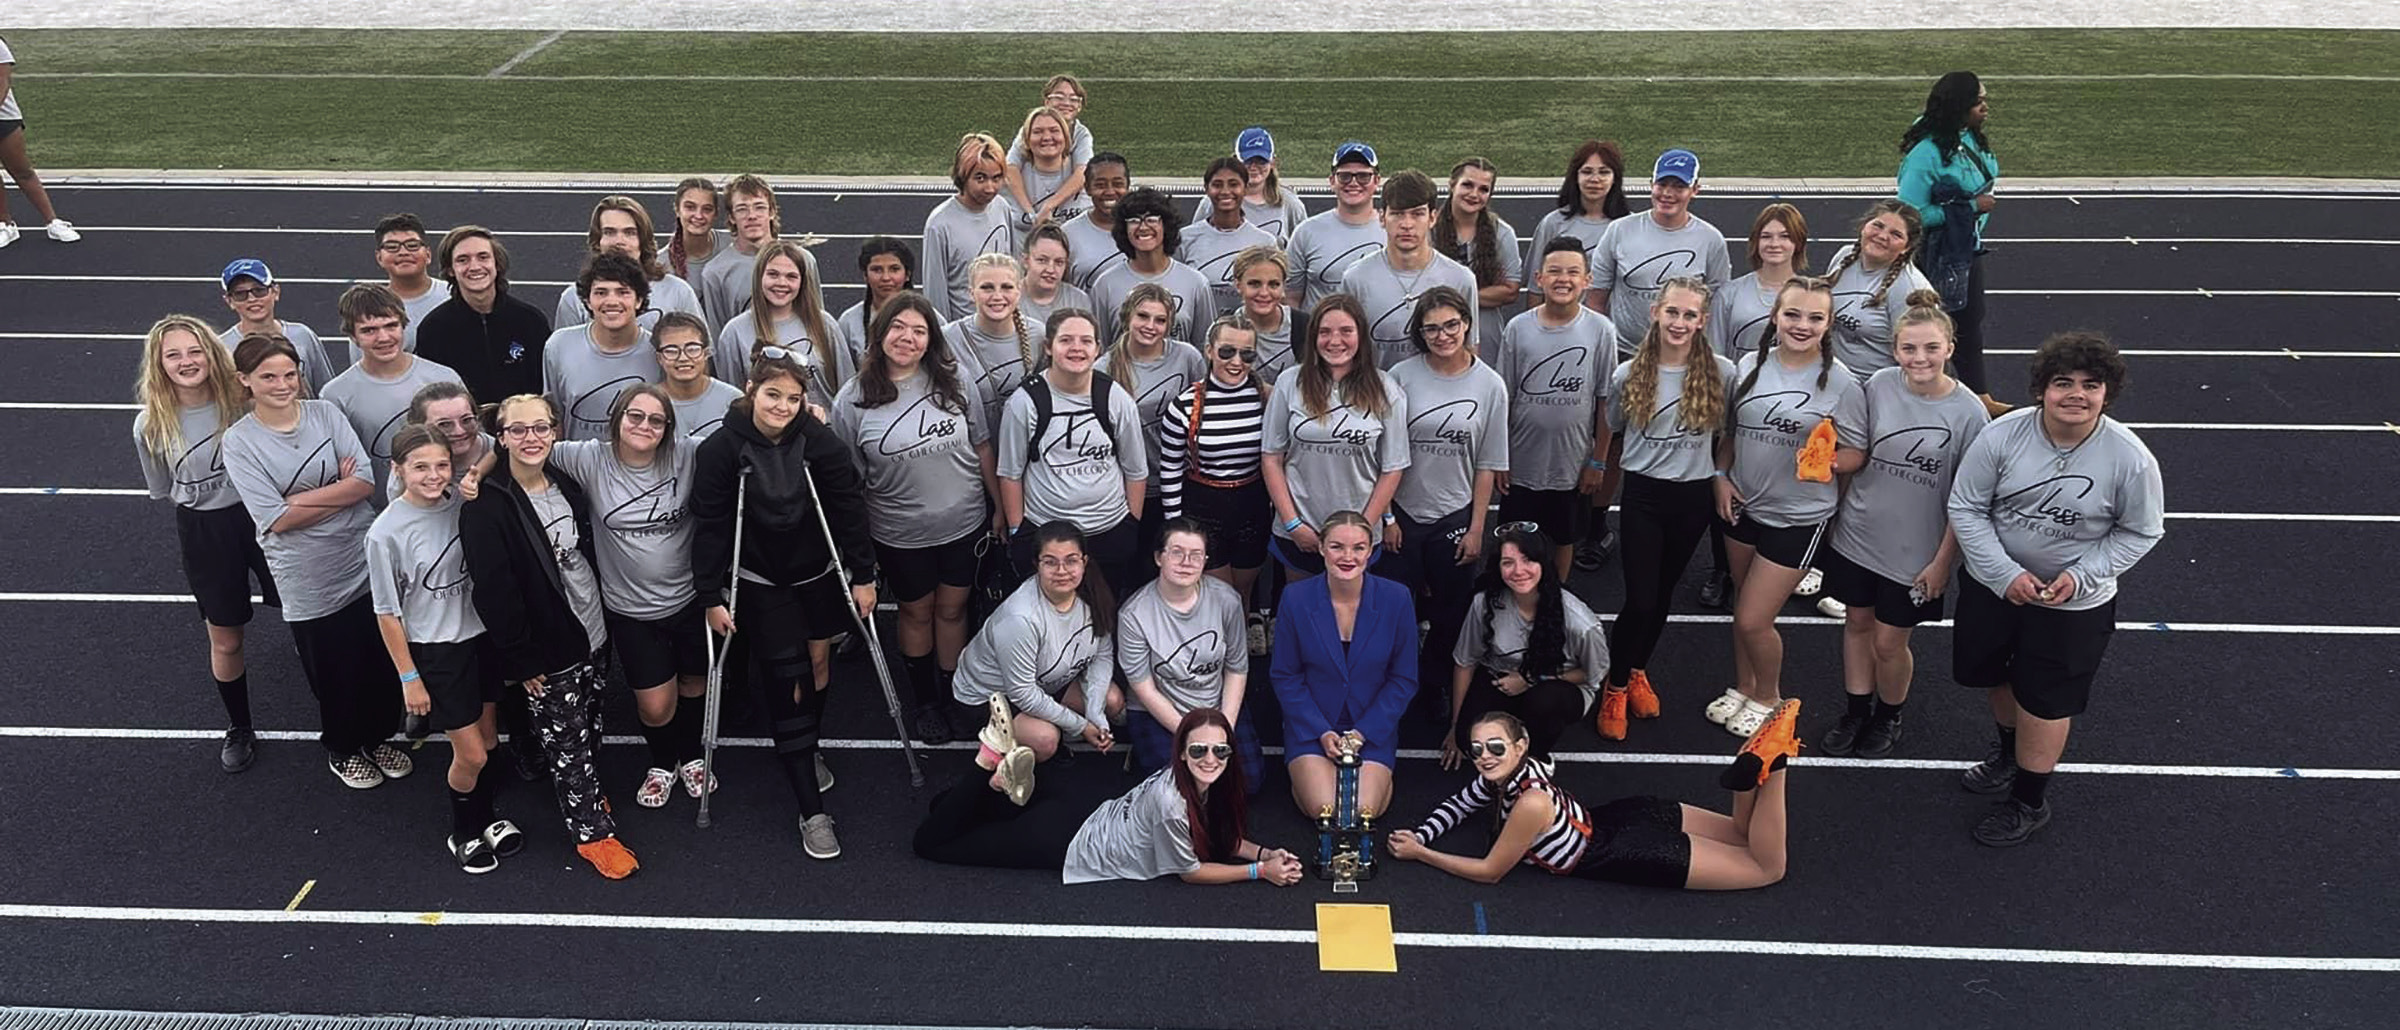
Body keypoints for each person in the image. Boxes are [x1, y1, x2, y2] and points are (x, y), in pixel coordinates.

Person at [1948, 331, 2164, 846]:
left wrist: (2080, 576)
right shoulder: (2002, 436)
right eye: (2062, 382)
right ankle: (2007, 750)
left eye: (2091, 385)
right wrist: (2004, 574)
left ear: (2107, 394)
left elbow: (2142, 530)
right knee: (1993, 676)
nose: (2076, 394)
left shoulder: (2131, 459)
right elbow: (1966, 505)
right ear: (2041, 388)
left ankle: (2028, 799)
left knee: (2045, 701)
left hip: (2072, 607)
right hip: (1993, 589)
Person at [690, 348, 878, 859]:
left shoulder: (818, 442)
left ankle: (806, 746)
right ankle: (811, 809)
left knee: (817, 665)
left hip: (817, 574)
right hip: (760, 580)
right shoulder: (721, 450)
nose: (783, 406)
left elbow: (847, 506)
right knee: (789, 680)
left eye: (794, 398)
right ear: (751, 391)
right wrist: (710, 593)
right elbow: (708, 528)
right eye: (773, 395)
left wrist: (864, 575)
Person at [457, 394, 639, 879]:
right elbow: (493, 592)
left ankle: (588, 792)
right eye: (517, 430)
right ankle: (592, 836)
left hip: (591, 628)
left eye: (540, 428)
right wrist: (520, 658)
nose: (530, 438)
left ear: (555, 432)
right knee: (567, 743)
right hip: (546, 646)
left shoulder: (565, 482)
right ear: (502, 437)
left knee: (591, 721)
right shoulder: (487, 505)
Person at [218, 335, 405, 789]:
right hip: (307, 575)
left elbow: (363, 483)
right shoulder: (240, 442)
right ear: (245, 381)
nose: (283, 384)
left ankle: (378, 736)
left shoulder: (324, 412)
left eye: (289, 373)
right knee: (333, 667)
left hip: (360, 558)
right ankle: (342, 747)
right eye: (268, 376)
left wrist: (297, 500)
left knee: (377, 658)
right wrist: (325, 499)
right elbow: (273, 519)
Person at [1817, 292, 1990, 760]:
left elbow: (1967, 500)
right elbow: (1856, 451)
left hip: (1915, 551)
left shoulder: (1970, 413)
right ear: (1895, 350)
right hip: (1859, 534)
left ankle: (1889, 712)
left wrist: (1941, 563)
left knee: (1890, 641)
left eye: (1931, 348)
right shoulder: (1876, 386)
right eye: (1909, 348)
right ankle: (1856, 709)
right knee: (1856, 622)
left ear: (1950, 348)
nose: (1920, 358)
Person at [830, 291, 999, 746]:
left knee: (953, 609)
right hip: (901, 533)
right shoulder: (853, 399)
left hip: (964, 524)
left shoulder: (954, 379)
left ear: (931, 340)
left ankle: (954, 694)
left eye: (919, 331)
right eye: (898, 328)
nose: (907, 338)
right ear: (879, 333)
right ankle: (925, 701)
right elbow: (849, 477)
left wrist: (999, 505)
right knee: (916, 611)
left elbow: (982, 444)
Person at [1390, 705, 1799, 890]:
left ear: (1520, 746)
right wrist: (1423, 834)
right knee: (1740, 832)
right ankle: (1751, 770)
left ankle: (1775, 765)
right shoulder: (1512, 771)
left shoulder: (1530, 804)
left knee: (1765, 868)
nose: (1484, 757)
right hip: (1623, 815)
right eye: (1477, 749)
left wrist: (1422, 855)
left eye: (1494, 747)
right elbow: (1460, 805)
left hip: (1628, 849)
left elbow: (1491, 871)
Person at [544, 383, 715, 810]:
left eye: (656, 420)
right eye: (634, 416)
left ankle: (691, 755)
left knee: (694, 683)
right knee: (656, 705)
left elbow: (744, 435)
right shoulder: (589, 458)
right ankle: (663, 761)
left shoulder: (688, 453)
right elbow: (526, 441)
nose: (644, 426)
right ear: (616, 420)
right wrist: (477, 469)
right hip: (632, 610)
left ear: (669, 429)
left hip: (691, 599)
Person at [914, 704, 1303, 887]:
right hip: (1059, 842)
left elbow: (1217, 834)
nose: (1210, 759)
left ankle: (998, 789)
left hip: (1078, 813)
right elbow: (1191, 873)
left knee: (943, 809)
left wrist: (1264, 852)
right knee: (930, 843)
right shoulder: (1173, 805)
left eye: (1220, 751)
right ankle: (988, 761)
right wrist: (1260, 872)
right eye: (1200, 750)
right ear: (1182, 751)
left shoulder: (1199, 780)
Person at [1713, 276, 1868, 736]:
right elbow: (1730, 435)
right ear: (1775, 317)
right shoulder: (1747, 367)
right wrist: (1720, 478)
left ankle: (1770, 697)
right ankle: (1744, 685)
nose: (1802, 325)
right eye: (1793, 314)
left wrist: (1828, 461)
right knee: (1743, 604)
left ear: (1828, 324)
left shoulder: (1843, 383)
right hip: (1742, 505)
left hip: (1797, 516)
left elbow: (1858, 453)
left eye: (1815, 317)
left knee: (1754, 618)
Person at [133, 315, 278, 773]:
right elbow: (164, 488)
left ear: (211, 352)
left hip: (262, 517)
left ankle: (336, 697)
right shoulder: (150, 425)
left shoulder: (242, 402)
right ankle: (239, 725)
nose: (186, 361)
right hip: (204, 530)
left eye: (194, 350)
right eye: (173, 354)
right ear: (159, 364)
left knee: (307, 614)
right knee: (226, 637)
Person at [368, 424, 514, 874]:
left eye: (441, 466)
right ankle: (464, 830)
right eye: (420, 467)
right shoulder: (385, 533)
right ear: (397, 470)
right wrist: (409, 678)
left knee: (489, 741)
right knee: (470, 753)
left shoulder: (460, 500)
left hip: (480, 639)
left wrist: (475, 472)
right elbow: (387, 613)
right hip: (437, 651)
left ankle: (487, 817)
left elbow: (496, 453)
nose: (433, 476)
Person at [1600, 277, 1736, 742]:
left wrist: (1719, 478)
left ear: (1703, 320)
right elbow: (1615, 428)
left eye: (1689, 315)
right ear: (1655, 312)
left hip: (1693, 497)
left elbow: (1726, 437)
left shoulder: (1721, 373)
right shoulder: (1628, 374)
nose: (1679, 322)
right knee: (1639, 598)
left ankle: (1638, 669)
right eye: (1672, 312)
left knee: (1661, 596)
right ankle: (1615, 686)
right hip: (1643, 496)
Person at [1385, 287, 1508, 695]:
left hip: (1453, 514)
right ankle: (1397, 680)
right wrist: (1387, 516)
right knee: (1396, 609)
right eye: (1432, 328)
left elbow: (1488, 463)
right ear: (1420, 333)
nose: (1443, 335)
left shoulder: (1490, 385)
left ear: (1467, 323)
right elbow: (1383, 454)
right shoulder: (1401, 376)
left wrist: (1476, 528)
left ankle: (1436, 680)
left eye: (1451, 325)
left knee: (1450, 613)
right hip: (1403, 514)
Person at [1270, 510, 1415, 819]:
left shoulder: (1397, 598)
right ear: (1321, 548)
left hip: (1371, 725)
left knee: (1363, 812)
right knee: (1324, 809)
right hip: (1313, 724)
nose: (1347, 556)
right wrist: (1320, 731)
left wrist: (1363, 732)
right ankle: (1310, 776)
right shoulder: (1295, 598)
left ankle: (1375, 781)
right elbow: (1285, 675)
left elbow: (1403, 679)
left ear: (1371, 550)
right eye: (1337, 547)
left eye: (1358, 548)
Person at [1699, 204, 1810, 610]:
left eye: (1784, 236)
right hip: (1739, 406)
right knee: (1725, 482)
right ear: (1754, 243)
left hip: (1793, 409)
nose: (1775, 243)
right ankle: (1722, 568)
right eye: (1767, 235)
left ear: (1798, 243)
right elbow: (1715, 351)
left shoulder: (1812, 292)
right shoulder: (1732, 293)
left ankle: (1787, 562)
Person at [997, 309, 1150, 600]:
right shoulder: (1025, 402)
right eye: (1066, 340)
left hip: (1109, 529)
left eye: (1086, 341)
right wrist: (1018, 530)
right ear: (1048, 347)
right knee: (1051, 614)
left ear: (1097, 349)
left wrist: (1131, 522)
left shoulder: (1115, 397)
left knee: (1105, 613)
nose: (1076, 348)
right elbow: (1010, 473)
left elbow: (1136, 470)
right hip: (1048, 531)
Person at [1493, 238, 1618, 580]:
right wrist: (1500, 458)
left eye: (1573, 272)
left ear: (1587, 280)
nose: (1564, 279)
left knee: (1563, 539)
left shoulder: (1601, 330)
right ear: (1539, 278)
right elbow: (1504, 397)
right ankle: (1512, 598)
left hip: (1571, 462)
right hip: (1522, 461)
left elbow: (1605, 400)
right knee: (1516, 539)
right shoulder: (1518, 329)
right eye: (1555, 271)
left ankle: (1555, 598)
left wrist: (1598, 460)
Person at [1261, 296, 1408, 577]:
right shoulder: (1289, 383)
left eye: (1346, 331)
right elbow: (1271, 458)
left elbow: (1393, 468)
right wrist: (1293, 523)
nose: (1335, 340)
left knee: (1352, 613)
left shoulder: (1386, 388)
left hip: (1360, 533)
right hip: (1301, 527)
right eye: (1325, 332)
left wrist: (1361, 529)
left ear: (1361, 336)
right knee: (1303, 605)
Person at [951, 520, 1123, 761]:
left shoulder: (1093, 595)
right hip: (991, 697)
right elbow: (1023, 694)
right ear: (1036, 565)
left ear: (1084, 562)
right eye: (1050, 562)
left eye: (1071, 560)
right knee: (1045, 739)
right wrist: (1081, 726)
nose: (1062, 570)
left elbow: (1102, 654)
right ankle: (1004, 760)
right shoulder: (1020, 618)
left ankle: (1056, 726)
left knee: (1111, 701)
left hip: (1045, 681)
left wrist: (1095, 714)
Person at [1119, 521, 1265, 791]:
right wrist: (1191, 733)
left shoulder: (1227, 600)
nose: (1186, 562)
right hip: (1161, 711)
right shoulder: (1134, 614)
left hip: (1215, 705)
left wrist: (1223, 729)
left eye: (1196, 554)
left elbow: (1236, 668)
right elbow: (1145, 689)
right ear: (1158, 557)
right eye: (1176, 552)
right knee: (1181, 787)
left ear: (1205, 560)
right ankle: (1146, 753)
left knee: (1249, 782)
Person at [1446, 527, 1604, 762]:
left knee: (1543, 702)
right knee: (1467, 739)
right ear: (1498, 568)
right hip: (1502, 678)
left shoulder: (1580, 623)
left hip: (1558, 685)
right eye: (1508, 562)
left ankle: (1534, 759)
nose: (1518, 571)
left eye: (1528, 560)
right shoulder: (1485, 603)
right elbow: (1465, 662)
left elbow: (1592, 673)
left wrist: (1531, 678)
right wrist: (1455, 725)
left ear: (1543, 564)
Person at [1899, 71, 2004, 415]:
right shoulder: (1926, 153)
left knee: (1970, 319)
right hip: (1937, 255)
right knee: (1930, 324)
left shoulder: (1966, 137)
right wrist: (1971, 208)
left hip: (1965, 247)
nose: (1985, 107)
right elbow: (1910, 213)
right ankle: (1917, 395)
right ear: (1959, 106)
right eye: (1978, 102)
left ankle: (1980, 397)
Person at [1160, 316, 1270, 616]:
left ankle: (1240, 652)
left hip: (1253, 502)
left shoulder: (1267, 399)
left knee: (1243, 592)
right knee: (1216, 596)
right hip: (1204, 504)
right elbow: (1170, 469)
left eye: (1246, 354)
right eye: (1226, 352)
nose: (1236, 361)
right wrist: (1175, 525)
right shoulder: (1184, 405)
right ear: (1209, 351)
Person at [319, 285, 464, 508]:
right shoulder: (336, 395)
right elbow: (342, 467)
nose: (383, 337)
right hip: (379, 512)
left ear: (404, 325)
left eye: (391, 326)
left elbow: (470, 441)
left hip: (447, 507)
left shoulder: (443, 377)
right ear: (352, 336)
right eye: (369, 330)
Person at [1098, 284, 1208, 556]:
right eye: (1143, 316)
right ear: (1127, 317)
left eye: (1160, 320)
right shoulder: (1103, 368)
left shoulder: (1187, 357)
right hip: (1132, 489)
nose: (1151, 326)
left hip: (1181, 482)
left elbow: (1205, 410)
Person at [1591, 149, 1732, 353]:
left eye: (1679, 187)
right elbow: (1596, 299)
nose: (1667, 194)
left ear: (1695, 190)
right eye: (1662, 184)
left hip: (1684, 353)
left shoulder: (1711, 240)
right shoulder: (1619, 230)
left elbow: (1716, 304)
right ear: (1651, 185)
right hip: (1624, 351)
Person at [1343, 170, 1478, 371]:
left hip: (1435, 399)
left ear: (1433, 218)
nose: (1407, 224)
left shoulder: (1460, 279)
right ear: (1382, 218)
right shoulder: (1355, 279)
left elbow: (1469, 353)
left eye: (1417, 214)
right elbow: (1347, 352)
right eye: (1397, 214)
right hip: (1374, 395)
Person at [415, 225, 552, 404]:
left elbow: (546, 390)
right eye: (463, 260)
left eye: (483, 257)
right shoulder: (433, 329)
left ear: (497, 263)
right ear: (450, 270)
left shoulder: (531, 321)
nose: (474, 266)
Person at [711, 239, 851, 410]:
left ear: (802, 282)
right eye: (773, 274)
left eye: (791, 276)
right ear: (759, 276)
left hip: (820, 430)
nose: (782, 283)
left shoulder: (825, 324)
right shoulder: (735, 332)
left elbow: (847, 391)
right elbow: (732, 398)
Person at [542, 253, 660, 441]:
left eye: (623, 292)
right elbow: (552, 420)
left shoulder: (658, 351)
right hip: (575, 468)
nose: (612, 301)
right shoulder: (558, 346)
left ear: (638, 300)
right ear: (587, 300)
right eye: (601, 292)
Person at [1823, 199, 1935, 384]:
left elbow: (1921, 359)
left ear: (1906, 248)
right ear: (1864, 226)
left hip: (1875, 389)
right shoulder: (1844, 257)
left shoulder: (1910, 289)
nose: (1882, 236)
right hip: (1830, 377)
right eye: (1878, 225)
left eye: (1896, 234)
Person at [698, 174, 826, 334]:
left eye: (759, 207)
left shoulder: (804, 260)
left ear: (771, 212)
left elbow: (818, 322)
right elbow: (718, 338)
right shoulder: (715, 272)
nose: (752, 216)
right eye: (742, 209)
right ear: (731, 217)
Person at [556, 196, 707, 331]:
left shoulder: (677, 292)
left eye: (629, 233)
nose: (619, 241)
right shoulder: (573, 298)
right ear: (597, 241)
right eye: (609, 232)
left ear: (643, 241)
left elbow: (702, 353)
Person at [1091, 186, 1215, 347]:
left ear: (1166, 225)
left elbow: (1205, 347)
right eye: (1134, 221)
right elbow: (1099, 347)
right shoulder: (1105, 285)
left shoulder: (1196, 283)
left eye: (1151, 220)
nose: (1143, 227)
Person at [922, 134, 1020, 322]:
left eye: (996, 178)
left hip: (1002, 324)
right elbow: (935, 292)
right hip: (963, 333)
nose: (990, 188)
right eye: (980, 178)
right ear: (962, 176)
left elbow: (1012, 268)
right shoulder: (939, 224)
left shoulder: (1002, 207)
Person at [1524, 140, 1629, 315]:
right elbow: (1536, 289)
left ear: (1615, 178)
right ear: (1576, 177)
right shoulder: (1553, 223)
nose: (1595, 179)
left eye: (1604, 172)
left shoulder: (1628, 225)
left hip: (1614, 332)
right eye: (1587, 172)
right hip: (1562, 326)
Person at [1433, 157, 1524, 354]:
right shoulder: (1429, 229)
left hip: (1486, 334)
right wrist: (1486, 292)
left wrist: (1447, 296)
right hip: (1435, 332)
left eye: (1483, 189)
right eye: (1467, 185)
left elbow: (1510, 291)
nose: (1474, 194)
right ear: (1451, 185)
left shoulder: (1502, 233)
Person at [1284, 141, 1385, 313]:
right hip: (1320, 337)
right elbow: (1291, 298)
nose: (1353, 183)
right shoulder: (1306, 232)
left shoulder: (1392, 232)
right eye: (1345, 176)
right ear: (1332, 181)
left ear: (1377, 181)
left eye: (1363, 176)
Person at [945, 253, 1041, 433]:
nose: (997, 296)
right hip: (973, 449)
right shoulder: (948, 338)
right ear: (971, 293)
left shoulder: (1038, 335)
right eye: (987, 288)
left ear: (1018, 291)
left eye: (1006, 287)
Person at [216, 258, 340, 396]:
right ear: (229, 301)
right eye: (240, 294)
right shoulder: (222, 347)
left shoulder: (303, 336)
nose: (251, 299)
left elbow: (325, 389)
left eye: (259, 290)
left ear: (275, 292)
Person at [0, 36, 79, 247]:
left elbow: (3, 83)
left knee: (22, 171)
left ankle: (53, 222)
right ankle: (5, 225)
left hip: (5, 118)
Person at [1180, 157, 1278, 316]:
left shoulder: (1265, 242)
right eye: (1217, 185)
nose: (1225, 191)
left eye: (1233, 184)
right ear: (1206, 188)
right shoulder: (1185, 239)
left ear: (1245, 188)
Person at [1003, 75, 1094, 227]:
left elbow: (1083, 173)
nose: (1066, 103)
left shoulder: (1082, 134)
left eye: (1073, 99)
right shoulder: (1029, 129)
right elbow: (1011, 167)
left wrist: (1049, 206)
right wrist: (1031, 213)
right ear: (1047, 102)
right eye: (1059, 97)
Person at [1202, 126, 1309, 245]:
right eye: (1248, 160)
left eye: (1261, 161)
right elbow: (1195, 241)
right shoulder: (1214, 200)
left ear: (1272, 162)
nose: (1253, 167)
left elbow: (1303, 247)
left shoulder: (1290, 204)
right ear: (1235, 160)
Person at [834, 235, 918, 371]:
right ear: (865, 276)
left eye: (894, 269)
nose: (886, 277)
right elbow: (844, 376)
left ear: (907, 274)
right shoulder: (849, 322)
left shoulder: (931, 318)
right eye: (877, 270)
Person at [652, 312, 740, 439]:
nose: (683, 358)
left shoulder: (733, 400)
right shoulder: (648, 403)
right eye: (671, 351)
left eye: (692, 349)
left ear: (706, 353)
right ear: (659, 358)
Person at [371, 214, 451, 353]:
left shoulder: (453, 294)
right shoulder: (371, 307)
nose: (403, 252)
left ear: (428, 254)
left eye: (412, 245)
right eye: (392, 247)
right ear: (379, 257)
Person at [1063, 152, 1133, 294]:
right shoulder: (1068, 233)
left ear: (1128, 186)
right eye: (1100, 185)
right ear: (1087, 188)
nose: (1109, 191)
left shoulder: (1143, 230)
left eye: (1118, 184)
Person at [1017, 220, 1093, 332]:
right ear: (1026, 261)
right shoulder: (1010, 297)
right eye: (1042, 260)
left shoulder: (1078, 300)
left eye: (1059, 262)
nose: (1050, 270)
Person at [663, 176, 730, 287]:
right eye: (690, 207)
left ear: (716, 214)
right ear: (677, 210)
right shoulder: (661, 264)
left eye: (707, 209)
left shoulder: (733, 246)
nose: (699, 216)